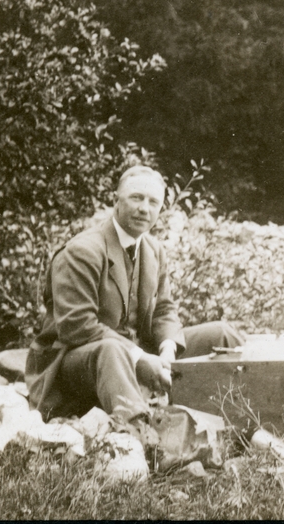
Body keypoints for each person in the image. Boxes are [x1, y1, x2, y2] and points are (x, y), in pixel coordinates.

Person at [25, 165, 244, 421]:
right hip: (73, 364)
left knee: (222, 335)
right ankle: (142, 437)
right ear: (116, 200)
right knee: (111, 350)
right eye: (136, 198)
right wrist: (139, 358)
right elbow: (77, 327)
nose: (144, 208)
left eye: (153, 202)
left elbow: (164, 309)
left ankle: (237, 419)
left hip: (129, 352)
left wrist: (167, 352)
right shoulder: (82, 251)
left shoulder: (153, 249)